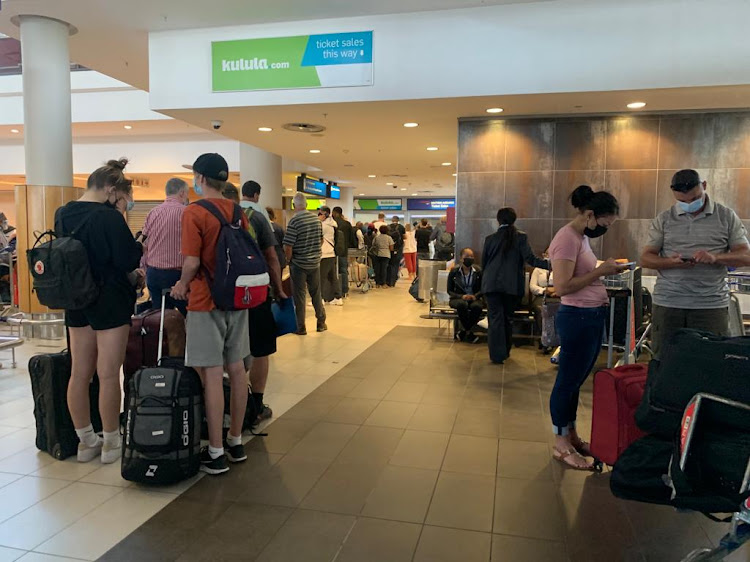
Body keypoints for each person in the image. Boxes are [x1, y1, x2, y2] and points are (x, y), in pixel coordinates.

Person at [55, 158, 142, 464]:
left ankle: (85, 441)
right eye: (121, 197)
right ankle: (111, 443)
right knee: (108, 374)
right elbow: (127, 259)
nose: (122, 203)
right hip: (109, 300)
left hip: (76, 300)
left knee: (79, 373)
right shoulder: (109, 218)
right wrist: (123, 220)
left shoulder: (63, 213)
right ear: (110, 188)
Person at [171, 153, 250, 475]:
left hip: (206, 301)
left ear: (201, 179)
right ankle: (235, 441)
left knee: (214, 375)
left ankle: (215, 452)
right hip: (237, 297)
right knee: (239, 369)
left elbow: (191, 262)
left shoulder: (194, 212)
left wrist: (181, 285)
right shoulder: (237, 210)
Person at [548, 185, 625, 470]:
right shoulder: (567, 239)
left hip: (590, 316)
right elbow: (562, 286)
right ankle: (560, 442)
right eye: (605, 224)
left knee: (575, 381)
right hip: (577, 317)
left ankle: (571, 435)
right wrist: (601, 271)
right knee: (567, 381)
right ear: (590, 215)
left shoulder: (580, 238)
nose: (604, 229)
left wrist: (605, 270)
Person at [640, 169, 750, 358]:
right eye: (682, 201)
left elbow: (745, 256)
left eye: (694, 198)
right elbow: (646, 258)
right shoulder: (664, 219)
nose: (689, 205)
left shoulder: (726, 216)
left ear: (704, 186)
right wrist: (670, 262)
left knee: (711, 361)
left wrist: (716, 258)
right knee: (664, 361)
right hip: (669, 303)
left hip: (710, 305)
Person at [239, 187, 287, 428]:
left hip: (221, 297)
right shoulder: (256, 217)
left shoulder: (206, 215)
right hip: (255, 293)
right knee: (260, 350)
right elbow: (273, 258)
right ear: (256, 196)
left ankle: (227, 409)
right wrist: (278, 289)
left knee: (230, 355)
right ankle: (256, 406)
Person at [481, 207, 549, 365]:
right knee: (507, 318)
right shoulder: (520, 237)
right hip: (511, 286)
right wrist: (551, 264)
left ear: (498, 220)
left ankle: (497, 355)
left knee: (495, 319)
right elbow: (531, 259)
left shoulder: (490, 238)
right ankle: (504, 351)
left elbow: (485, 263)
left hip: (491, 285)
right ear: (514, 219)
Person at [140, 178, 189, 315]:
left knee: (160, 319)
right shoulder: (186, 213)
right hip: (177, 276)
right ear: (181, 193)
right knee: (189, 316)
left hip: (154, 275)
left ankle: (163, 337)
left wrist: (143, 269)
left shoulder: (153, 212)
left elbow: (145, 243)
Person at [284, 193, 327, 335]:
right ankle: (321, 322)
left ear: (294, 205)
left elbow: (288, 246)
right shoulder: (316, 220)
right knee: (316, 293)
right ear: (307, 204)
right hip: (315, 263)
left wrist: (288, 260)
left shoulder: (294, 221)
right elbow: (321, 240)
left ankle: (300, 327)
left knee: (300, 296)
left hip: (299, 265)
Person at [448, 248, 484, 343]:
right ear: (461, 258)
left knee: (477, 306)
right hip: (458, 298)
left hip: (474, 297)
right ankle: (469, 332)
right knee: (462, 305)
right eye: (467, 256)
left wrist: (475, 296)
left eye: (472, 256)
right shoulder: (454, 271)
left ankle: (464, 331)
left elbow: (483, 288)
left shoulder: (478, 271)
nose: (470, 258)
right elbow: (449, 290)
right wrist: (461, 296)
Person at [530, 250, 556, 351]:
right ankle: (545, 340)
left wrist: (555, 291)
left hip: (556, 296)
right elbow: (532, 286)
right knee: (540, 310)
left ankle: (555, 339)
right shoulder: (538, 269)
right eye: (548, 253)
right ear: (544, 255)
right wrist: (544, 290)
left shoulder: (560, 268)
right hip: (541, 296)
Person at [318, 206, 343, 306]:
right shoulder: (333, 224)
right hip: (331, 253)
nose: (319, 215)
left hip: (324, 253)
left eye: (320, 213)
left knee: (321, 277)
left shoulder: (323, 225)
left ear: (325, 214)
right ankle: (338, 297)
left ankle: (320, 298)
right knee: (332, 277)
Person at [332, 206, 354, 300]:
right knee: (344, 270)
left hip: (332, 251)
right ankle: (344, 290)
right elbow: (351, 238)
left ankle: (334, 291)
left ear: (335, 213)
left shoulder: (332, 223)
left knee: (332, 271)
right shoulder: (347, 224)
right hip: (343, 250)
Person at [387, 216, 406, 286]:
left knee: (389, 264)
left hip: (389, 248)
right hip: (398, 248)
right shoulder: (401, 227)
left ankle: (388, 280)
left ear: (392, 220)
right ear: (398, 220)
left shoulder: (388, 227)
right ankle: (393, 281)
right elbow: (405, 237)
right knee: (396, 264)